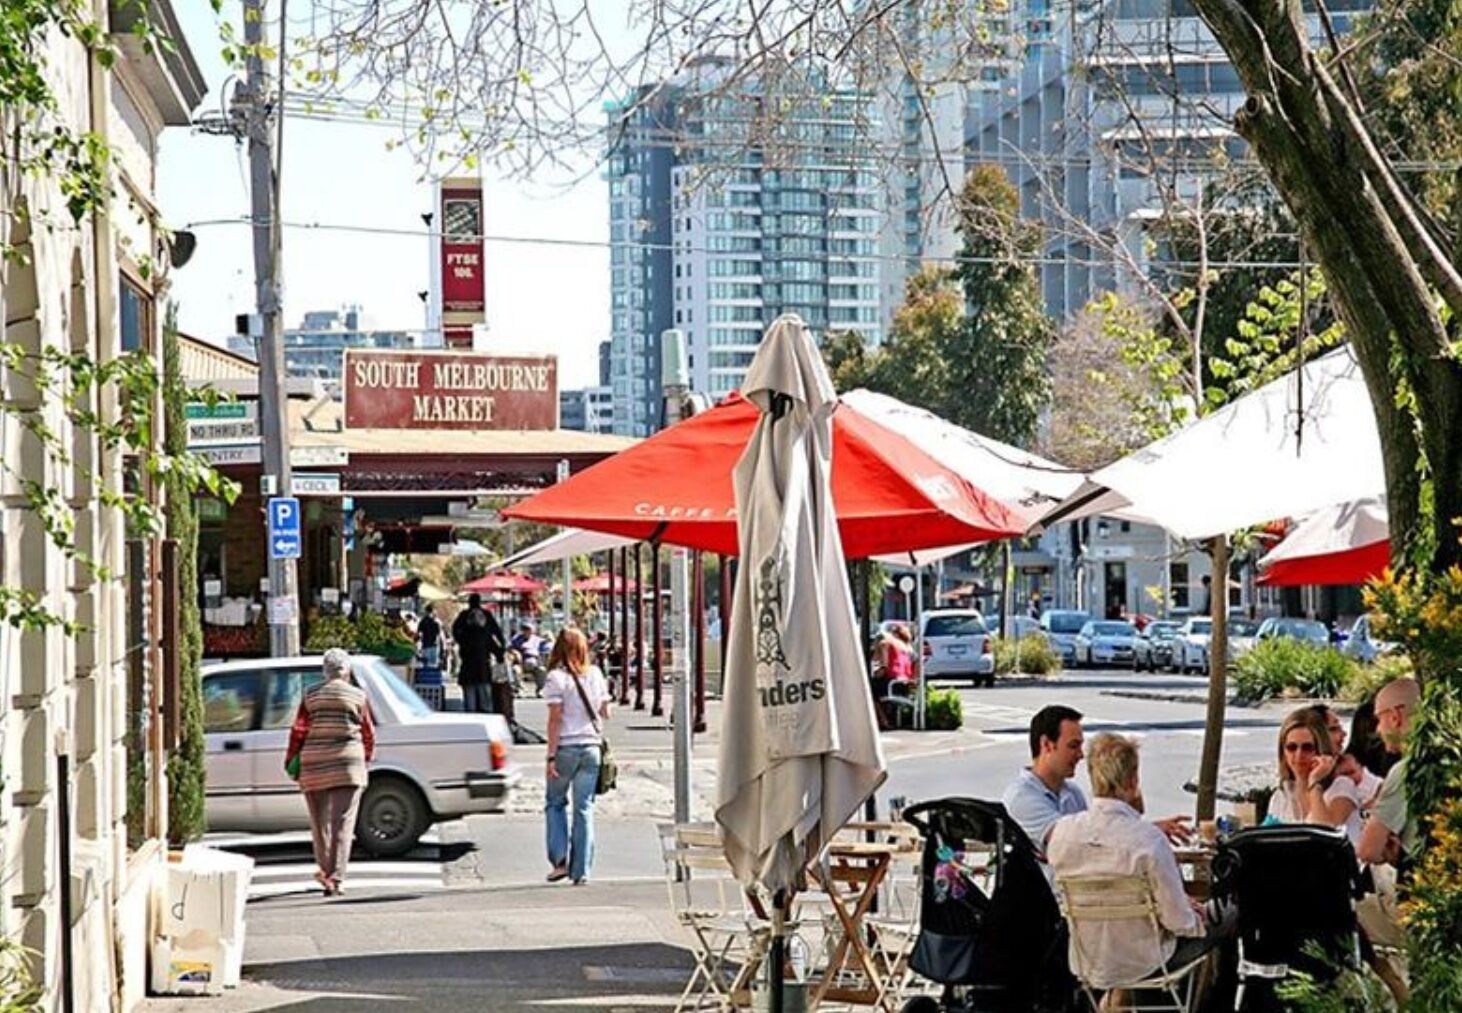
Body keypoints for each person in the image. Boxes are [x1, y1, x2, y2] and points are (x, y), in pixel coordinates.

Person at [1048, 733, 1234, 990]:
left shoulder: (1062, 833)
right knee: (1231, 912)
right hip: (1148, 962)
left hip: (1089, 962)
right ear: (1133, 780)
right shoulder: (1147, 840)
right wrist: (1196, 915)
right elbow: (1179, 923)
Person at [1002, 705, 1192, 860]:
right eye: (1073, 746)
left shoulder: (1071, 792)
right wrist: (1146, 832)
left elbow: (1098, 835)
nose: (1081, 755)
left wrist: (1146, 831)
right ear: (1046, 745)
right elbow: (1073, 843)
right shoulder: (1022, 797)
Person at [285, 649, 375, 897]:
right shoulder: (358, 696)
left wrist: (291, 760)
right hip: (348, 764)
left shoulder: (311, 695)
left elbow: (298, 731)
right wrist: (364, 759)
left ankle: (325, 872)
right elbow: (368, 733)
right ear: (346, 672)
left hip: (314, 765)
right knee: (342, 823)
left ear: (325, 671)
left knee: (319, 822)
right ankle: (335, 878)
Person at [543, 628, 611, 885]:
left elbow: (555, 719)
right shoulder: (595, 674)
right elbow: (606, 712)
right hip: (591, 748)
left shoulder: (556, 678)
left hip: (566, 748)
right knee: (584, 808)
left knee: (555, 802)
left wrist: (550, 756)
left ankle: (560, 860)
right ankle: (581, 870)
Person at [1301, 704, 1385, 846]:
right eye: (1334, 729)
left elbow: (1327, 832)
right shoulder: (1289, 788)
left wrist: (1314, 783)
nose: (1344, 734)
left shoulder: (1344, 780)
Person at [1268, 707, 1343, 824]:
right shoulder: (1281, 796)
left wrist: (1314, 783)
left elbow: (1325, 834)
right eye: (1291, 747)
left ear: (1320, 749)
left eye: (1307, 748)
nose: (1299, 755)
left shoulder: (1340, 787)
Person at [452, 593, 506, 714]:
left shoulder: (464, 618)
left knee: (470, 697)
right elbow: (497, 634)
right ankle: (486, 715)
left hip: (467, 664)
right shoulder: (485, 628)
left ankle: (471, 715)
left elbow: (454, 630)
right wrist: (501, 650)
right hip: (483, 665)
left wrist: (461, 641)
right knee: (485, 696)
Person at [415, 603, 442, 668]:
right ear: (432, 611)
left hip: (426, 645)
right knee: (433, 665)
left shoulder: (423, 621)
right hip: (433, 645)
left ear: (426, 611)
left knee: (426, 665)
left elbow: (419, 633)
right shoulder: (436, 621)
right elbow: (438, 634)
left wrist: (416, 643)